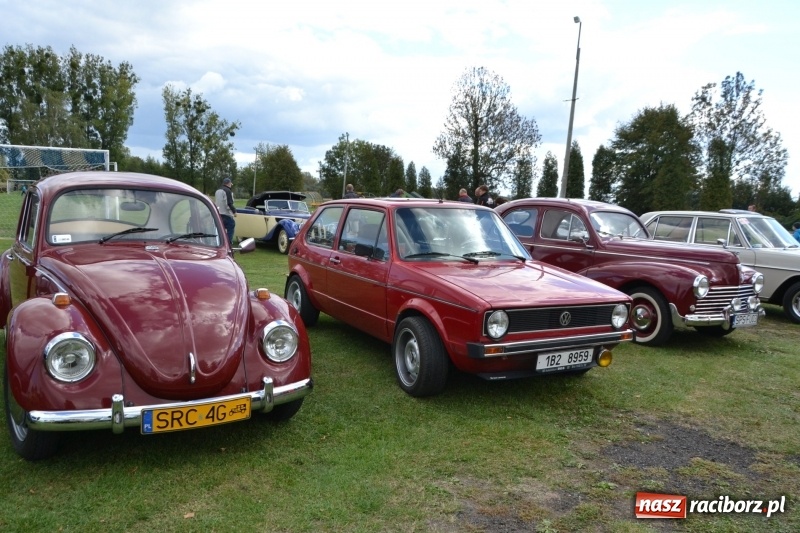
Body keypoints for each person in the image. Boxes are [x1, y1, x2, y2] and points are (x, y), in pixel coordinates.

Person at [215, 177, 237, 249]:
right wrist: (234, 211)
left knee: (220, 229)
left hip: (218, 214)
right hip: (226, 214)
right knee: (231, 225)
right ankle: (229, 244)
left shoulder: (217, 191)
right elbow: (229, 203)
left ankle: (218, 243)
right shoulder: (228, 191)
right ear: (229, 183)